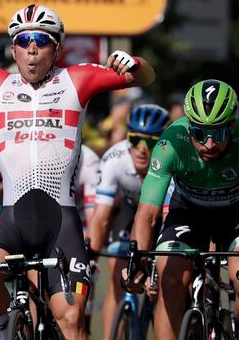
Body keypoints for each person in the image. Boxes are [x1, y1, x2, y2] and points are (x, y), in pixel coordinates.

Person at [0, 3, 155, 339]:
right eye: (23, 41)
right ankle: (9, 332)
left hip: (60, 223)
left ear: (57, 49)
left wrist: (133, 63)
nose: (32, 49)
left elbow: (143, 77)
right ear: (13, 49)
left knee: (71, 319)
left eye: (42, 41)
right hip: (12, 218)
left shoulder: (76, 79)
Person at [128, 79, 239, 340]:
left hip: (234, 216)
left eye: (220, 133)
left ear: (233, 127)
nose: (210, 144)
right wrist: (138, 260)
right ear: (189, 128)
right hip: (188, 213)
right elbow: (147, 212)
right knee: (170, 280)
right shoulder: (172, 142)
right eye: (200, 134)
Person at [86, 103, 170, 339]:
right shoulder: (115, 159)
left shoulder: (172, 162)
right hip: (130, 210)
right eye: (135, 140)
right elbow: (101, 216)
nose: (142, 149)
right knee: (118, 274)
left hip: (164, 214)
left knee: (167, 278)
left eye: (151, 142)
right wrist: (91, 256)